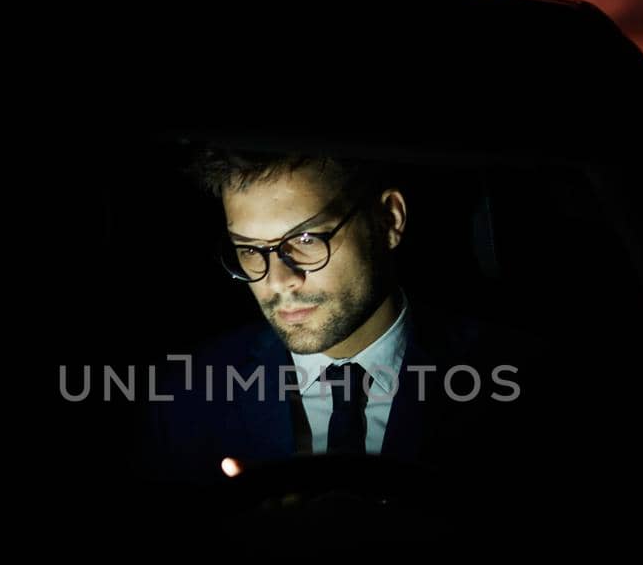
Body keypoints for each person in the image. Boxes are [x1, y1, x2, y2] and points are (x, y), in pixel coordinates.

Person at [142, 148, 565, 488]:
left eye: (306, 239)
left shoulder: (525, 383)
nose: (278, 280)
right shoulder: (189, 397)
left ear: (388, 220)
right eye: (250, 250)